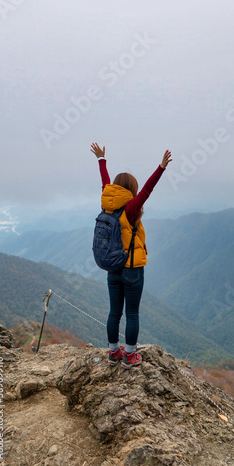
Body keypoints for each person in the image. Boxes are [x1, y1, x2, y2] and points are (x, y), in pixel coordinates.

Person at [90, 142, 172, 368]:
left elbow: (105, 183)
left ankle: (114, 352)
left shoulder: (107, 204)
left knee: (114, 313)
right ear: (131, 190)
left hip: (112, 267)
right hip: (132, 269)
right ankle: (130, 356)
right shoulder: (130, 208)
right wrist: (161, 168)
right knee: (132, 314)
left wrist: (101, 160)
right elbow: (147, 190)